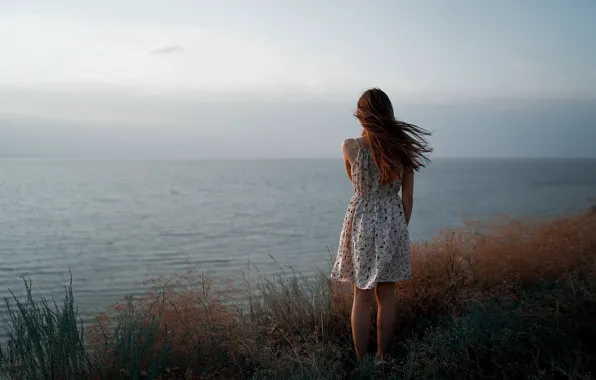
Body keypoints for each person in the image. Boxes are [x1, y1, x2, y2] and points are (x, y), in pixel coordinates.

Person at [330, 88, 432, 361]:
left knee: (361, 297)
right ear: (388, 113)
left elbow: (357, 186)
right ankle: (382, 359)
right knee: (387, 296)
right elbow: (407, 199)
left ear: (361, 115)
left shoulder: (350, 146)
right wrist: (400, 229)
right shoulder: (402, 148)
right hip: (393, 223)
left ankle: (362, 361)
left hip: (361, 222)